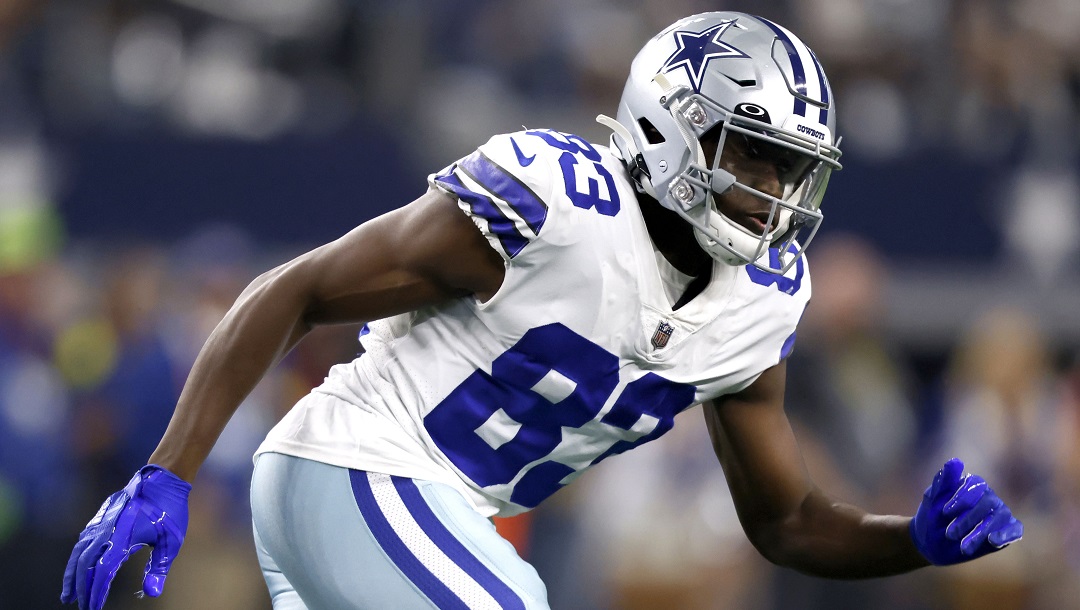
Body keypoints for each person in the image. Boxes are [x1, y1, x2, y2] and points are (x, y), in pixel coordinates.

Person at [61, 12, 1023, 610]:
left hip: (427, 520)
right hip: (357, 467)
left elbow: (789, 523)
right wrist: (166, 474)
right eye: (753, 155)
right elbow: (297, 288)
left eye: (791, 168)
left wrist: (912, 542)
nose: (775, 192)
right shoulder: (557, 201)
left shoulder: (759, 305)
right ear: (667, 129)